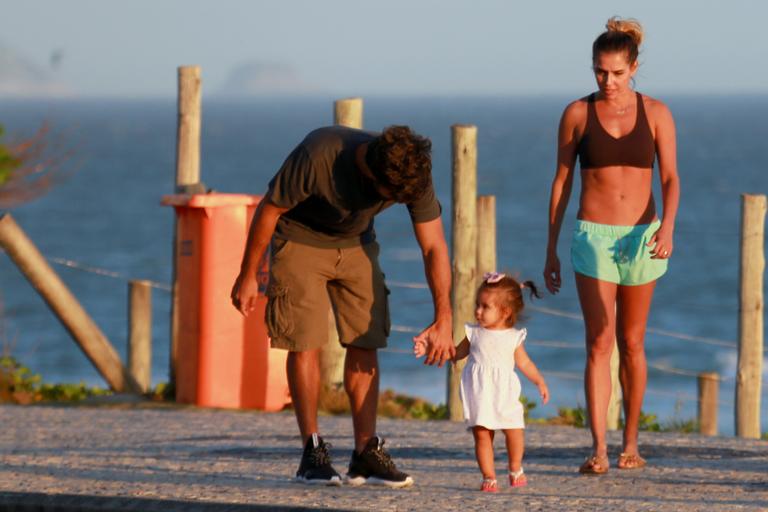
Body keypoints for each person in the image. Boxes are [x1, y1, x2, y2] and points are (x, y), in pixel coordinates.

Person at [231, 124, 455, 488]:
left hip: (356, 243)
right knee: (305, 341)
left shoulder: (413, 173)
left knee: (367, 338)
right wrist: (247, 274)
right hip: (300, 237)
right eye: (393, 196)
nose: (400, 202)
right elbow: (270, 210)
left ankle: (365, 453)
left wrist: (444, 317)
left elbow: (434, 247)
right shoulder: (321, 154)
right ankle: (312, 452)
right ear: (371, 173)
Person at [543, 17, 680, 474]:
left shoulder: (657, 112)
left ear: (634, 67)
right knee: (599, 340)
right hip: (593, 237)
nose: (608, 81)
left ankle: (632, 444)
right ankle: (599, 448)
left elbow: (671, 178)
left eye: (617, 73)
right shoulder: (577, 114)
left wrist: (667, 229)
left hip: (644, 237)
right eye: (600, 71)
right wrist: (551, 249)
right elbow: (561, 182)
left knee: (633, 341)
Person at [415, 272, 549, 492]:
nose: (478, 311)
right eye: (477, 305)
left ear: (505, 312)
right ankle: (489, 476)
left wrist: (539, 381)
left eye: (485, 307)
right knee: (482, 434)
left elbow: (525, 363)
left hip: (504, 393)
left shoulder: (513, 337)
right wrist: (429, 348)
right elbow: (455, 353)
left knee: (515, 430)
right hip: (479, 392)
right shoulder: (474, 334)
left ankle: (515, 467)